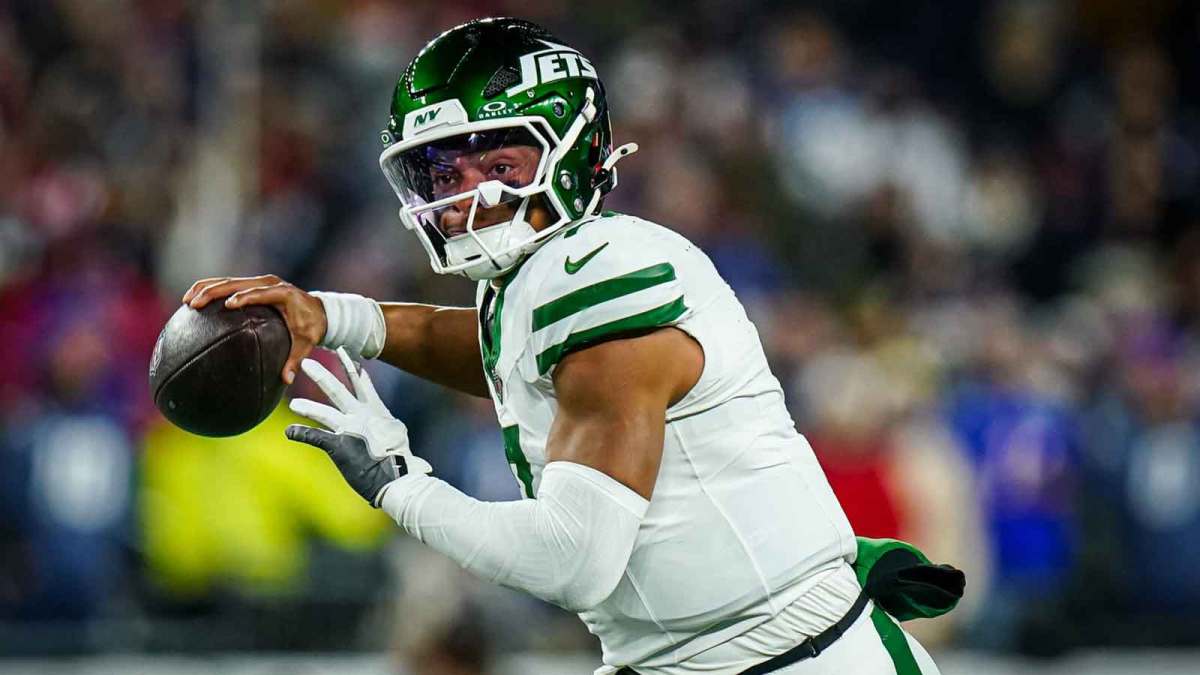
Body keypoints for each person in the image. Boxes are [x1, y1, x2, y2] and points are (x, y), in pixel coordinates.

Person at [183, 17, 947, 674]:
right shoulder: (541, 281)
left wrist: (401, 486)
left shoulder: (605, 274)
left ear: (574, 155)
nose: (463, 197)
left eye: (499, 165)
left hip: (793, 660)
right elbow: (510, 357)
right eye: (443, 170)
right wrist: (338, 315)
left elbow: (575, 559)